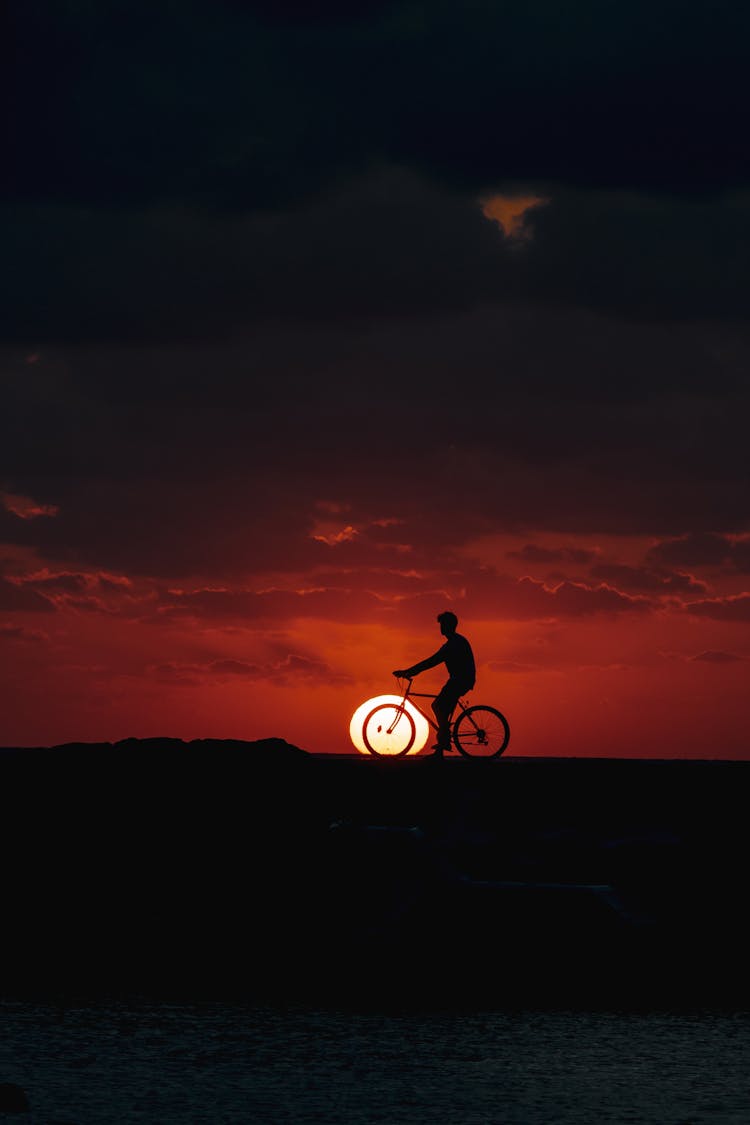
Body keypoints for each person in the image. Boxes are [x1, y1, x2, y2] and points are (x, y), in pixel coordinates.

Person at [393, 611, 476, 758]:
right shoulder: (455, 641)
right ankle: (440, 750)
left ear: (449, 626)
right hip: (460, 679)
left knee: (437, 706)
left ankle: (444, 739)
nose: (441, 628)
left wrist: (408, 672)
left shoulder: (453, 645)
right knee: (442, 709)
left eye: (443, 624)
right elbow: (430, 662)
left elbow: (430, 662)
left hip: (460, 680)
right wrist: (410, 671)